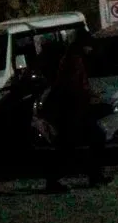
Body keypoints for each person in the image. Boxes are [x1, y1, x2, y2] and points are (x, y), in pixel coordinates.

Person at [41, 37, 108, 193]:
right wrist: (90, 95)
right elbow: (74, 87)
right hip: (73, 111)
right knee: (69, 147)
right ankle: (54, 181)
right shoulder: (74, 61)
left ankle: (94, 175)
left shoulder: (71, 60)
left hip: (73, 111)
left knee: (87, 140)